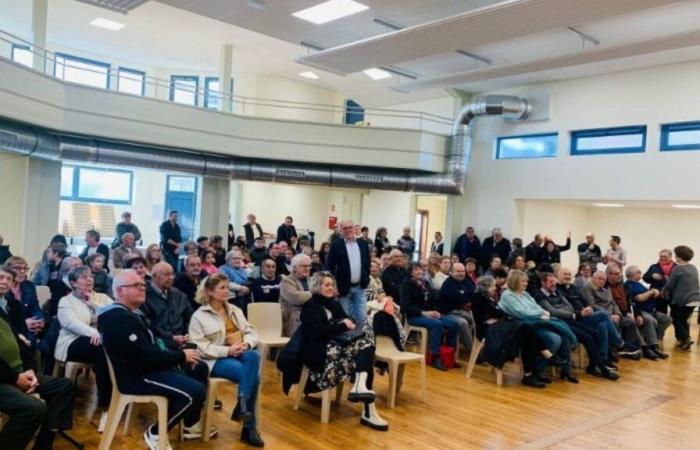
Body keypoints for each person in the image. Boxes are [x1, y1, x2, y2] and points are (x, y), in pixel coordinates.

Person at [98, 270, 206, 448]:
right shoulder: (117, 318)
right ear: (119, 292)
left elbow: (152, 340)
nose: (142, 288)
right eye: (135, 286)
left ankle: (189, 425)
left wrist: (176, 346)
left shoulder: (133, 313)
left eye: (142, 285)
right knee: (194, 392)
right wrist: (180, 356)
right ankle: (156, 433)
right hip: (137, 376)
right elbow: (144, 355)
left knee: (198, 369)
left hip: (148, 368)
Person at [300, 272, 388, 431]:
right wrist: (341, 325)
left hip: (338, 346)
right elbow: (318, 333)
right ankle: (368, 409)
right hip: (320, 352)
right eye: (326, 285)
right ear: (316, 287)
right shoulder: (310, 306)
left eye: (332, 285)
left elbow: (348, 320)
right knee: (366, 347)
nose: (331, 288)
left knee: (365, 346)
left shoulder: (333, 303)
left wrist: (348, 323)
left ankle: (361, 390)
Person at [0, 267, 75, 450]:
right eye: (0, 277)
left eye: (8, 279)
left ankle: (43, 444)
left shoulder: (8, 309)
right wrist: (15, 378)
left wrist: (30, 370)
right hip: (4, 377)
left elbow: (22, 344)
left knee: (65, 386)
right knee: (32, 408)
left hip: (17, 372)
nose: (4, 281)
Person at [189, 273, 264, 447]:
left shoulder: (235, 310)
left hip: (240, 350)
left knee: (253, 354)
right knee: (255, 377)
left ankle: (243, 404)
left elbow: (251, 331)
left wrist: (246, 344)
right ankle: (248, 427)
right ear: (209, 291)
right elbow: (200, 347)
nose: (226, 291)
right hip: (216, 359)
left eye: (227, 287)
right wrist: (227, 351)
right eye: (222, 288)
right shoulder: (199, 316)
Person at [54, 266, 113, 431]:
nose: (89, 279)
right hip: (73, 341)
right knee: (103, 347)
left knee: (106, 348)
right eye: (83, 277)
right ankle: (106, 406)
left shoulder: (102, 298)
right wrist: (94, 332)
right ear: (73, 282)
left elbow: (115, 316)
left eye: (90, 276)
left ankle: (114, 399)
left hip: (101, 342)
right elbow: (70, 324)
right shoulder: (66, 301)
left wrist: (93, 304)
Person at [498, 270, 579, 383]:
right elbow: (521, 313)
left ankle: (566, 370)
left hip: (536, 322)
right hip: (522, 328)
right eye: (523, 281)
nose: (526, 284)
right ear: (515, 281)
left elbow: (537, 307)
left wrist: (540, 312)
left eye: (526, 281)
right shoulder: (507, 295)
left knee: (563, 334)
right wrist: (540, 313)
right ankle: (539, 370)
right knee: (554, 339)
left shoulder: (525, 294)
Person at [471, 275, 551, 388]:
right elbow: (489, 317)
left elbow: (499, 314)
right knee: (526, 329)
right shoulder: (479, 298)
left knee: (527, 337)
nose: (495, 288)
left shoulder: (489, 298)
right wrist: (501, 318)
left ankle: (531, 374)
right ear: (486, 287)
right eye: (493, 286)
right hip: (490, 332)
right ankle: (537, 364)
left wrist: (502, 317)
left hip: (498, 328)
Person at [535, 272, 618, 380]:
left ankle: (593, 366)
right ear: (543, 283)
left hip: (569, 320)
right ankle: (603, 369)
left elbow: (569, 306)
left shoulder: (557, 292)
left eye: (554, 281)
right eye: (550, 282)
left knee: (595, 333)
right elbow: (552, 312)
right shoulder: (539, 296)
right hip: (558, 324)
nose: (553, 284)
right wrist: (568, 313)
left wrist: (565, 312)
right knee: (588, 337)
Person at [556, 266, 622, 371]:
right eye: (565, 274)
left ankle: (602, 359)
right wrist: (581, 312)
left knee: (602, 325)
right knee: (604, 314)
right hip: (576, 319)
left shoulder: (573, 287)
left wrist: (588, 309)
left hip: (586, 315)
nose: (568, 276)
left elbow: (586, 302)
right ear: (557, 275)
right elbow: (567, 308)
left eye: (569, 274)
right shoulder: (557, 290)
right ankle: (617, 342)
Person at [401, 263, 459, 371]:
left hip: (429, 313)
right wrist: (424, 312)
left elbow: (433, 300)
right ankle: (435, 357)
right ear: (410, 272)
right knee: (437, 324)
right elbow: (406, 306)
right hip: (414, 316)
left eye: (420, 269)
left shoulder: (425, 283)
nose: (419, 272)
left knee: (453, 324)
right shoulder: (406, 285)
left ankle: (448, 355)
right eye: (416, 270)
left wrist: (436, 311)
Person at [581, 271, 642, 359]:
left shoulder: (607, 288)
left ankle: (629, 350)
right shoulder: (587, 288)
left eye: (603, 280)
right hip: (599, 316)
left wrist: (618, 314)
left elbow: (613, 303)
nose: (602, 281)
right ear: (593, 278)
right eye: (599, 279)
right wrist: (610, 315)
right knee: (613, 323)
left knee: (630, 322)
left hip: (613, 314)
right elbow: (592, 305)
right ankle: (613, 350)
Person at [326, 220, 371, 327]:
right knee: (344, 318)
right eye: (345, 228)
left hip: (360, 286)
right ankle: (347, 341)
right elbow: (330, 267)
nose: (348, 230)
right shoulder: (336, 245)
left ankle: (362, 341)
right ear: (341, 230)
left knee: (362, 317)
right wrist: (333, 286)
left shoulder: (363, 244)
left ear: (355, 229)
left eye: (350, 227)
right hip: (343, 288)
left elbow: (367, 263)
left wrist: (366, 278)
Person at [624, 265, 671, 359]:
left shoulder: (638, 283)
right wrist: (651, 292)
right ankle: (652, 346)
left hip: (651, 310)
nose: (640, 273)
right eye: (639, 272)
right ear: (634, 274)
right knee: (651, 321)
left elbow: (647, 294)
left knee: (667, 319)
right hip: (641, 311)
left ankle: (654, 339)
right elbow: (639, 298)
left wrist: (654, 292)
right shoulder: (629, 284)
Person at [662, 245, 700, 350]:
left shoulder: (678, 268)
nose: (675, 258)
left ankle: (685, 338)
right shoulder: (693, 267)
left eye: (676, 256)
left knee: (676, 318)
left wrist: (663, 291)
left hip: (684, 299)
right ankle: (684, 341)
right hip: (695, 299)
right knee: (683, 319)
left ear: (680, 257)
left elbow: (670, 284)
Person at [4, 257, 44, 346]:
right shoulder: (3, 287)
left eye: (25, 268)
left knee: (34, 337)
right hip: (9, 327)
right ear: (8, 270)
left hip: (29, 325)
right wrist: (23, 324)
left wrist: (39, 320)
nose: (22, 271)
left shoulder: (29, 286)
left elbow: (35, 308)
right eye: (18, 268)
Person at [437, 263, 474, 352]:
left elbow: (473, 293)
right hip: (447, 313)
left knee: (476, 319)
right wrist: (464, 295)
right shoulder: (448, 283)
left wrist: (464, 295)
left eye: (463, 271)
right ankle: (472, 351)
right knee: (463, 322)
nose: (461, 273)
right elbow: (459, 298)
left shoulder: (466, 281)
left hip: (460, 311)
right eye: (458, 271)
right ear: (451, 272)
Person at [280, 254, 312, 337]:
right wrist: (314, 293)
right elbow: (295, 298)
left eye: (309, 266)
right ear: (294, 267)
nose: (307, 268)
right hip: (293, 320)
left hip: (310, 317)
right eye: (304, 266)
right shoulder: (286, 280)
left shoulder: (311, 280)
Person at [643, 249, 676, 315]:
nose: (663, 258)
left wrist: (662, 278)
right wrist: (652, 276)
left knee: (676, 315)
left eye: (665, 257)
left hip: (673, 294)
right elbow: (645, 278)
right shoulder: (654, 267)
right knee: (661, 314)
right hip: (658, 295)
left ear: (670, 257)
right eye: (661, 256)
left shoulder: (676, 267)